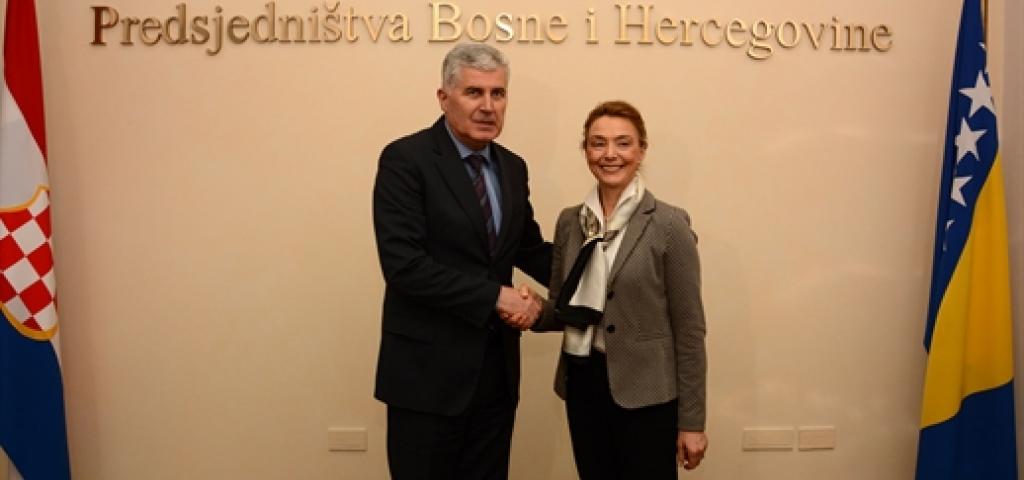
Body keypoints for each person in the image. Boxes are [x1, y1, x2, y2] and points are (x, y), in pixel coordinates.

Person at [371, 43, 550, 480]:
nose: (488, 106)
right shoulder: (406, 159)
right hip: (426, 380)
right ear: (444, 97)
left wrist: (614, 260)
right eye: (474, 92)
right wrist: (497, 297)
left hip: (495, 377)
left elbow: (529, 250)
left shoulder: (513, 168)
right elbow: (404, 266)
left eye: (498, 93)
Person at [531, 100, 709, 479]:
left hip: (648, 393)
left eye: (623, 143)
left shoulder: (669, 225)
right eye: (598, 143)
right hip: (583, 384)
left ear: (641, 150)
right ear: (585, 151)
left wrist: (692, 422)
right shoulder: (570, 222)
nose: (609, 154)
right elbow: (565, 308)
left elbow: (690, 329)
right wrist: (531, 309)